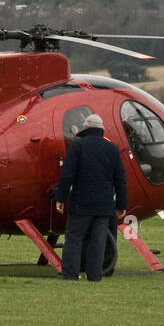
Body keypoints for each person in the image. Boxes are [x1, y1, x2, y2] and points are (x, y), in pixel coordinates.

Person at [52, 112, 127, 281]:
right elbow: (120, 180)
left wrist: (61, 197)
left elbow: (67, 175)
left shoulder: (78, 146)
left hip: (81, 204)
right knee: (98, 242)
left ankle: (70, 274)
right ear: (101, 130)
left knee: (74, 239)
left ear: (86, 128)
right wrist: (121, 205)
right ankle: (94, 276)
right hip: (105, 206)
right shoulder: (112, 149)